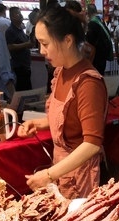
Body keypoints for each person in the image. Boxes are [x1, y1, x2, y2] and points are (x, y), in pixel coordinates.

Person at [18, 4, 107, 199]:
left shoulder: (88, 83)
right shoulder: (60, 73)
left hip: (81, 177)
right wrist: (40, 123)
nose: (41, 51)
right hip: (62, 170)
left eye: (45, 43)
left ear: (67, 40)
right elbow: (68, 119)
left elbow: (92, 143)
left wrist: (49, 175)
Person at [6, 7, 33, 91]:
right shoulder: (10, 31)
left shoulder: (20, 29)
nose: (21, 15)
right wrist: (26, 44)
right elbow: (10, 47)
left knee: (27, 88)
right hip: (19, 66)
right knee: (22, 90)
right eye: (18, 13)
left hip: (25, 65)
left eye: (20, 13)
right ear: (12, 17)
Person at [85, 4, 113, 76]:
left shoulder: (92, 23)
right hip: (102, 55)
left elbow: (89, 42)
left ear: (88, 13)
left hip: (96, 57)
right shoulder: (100, 21)